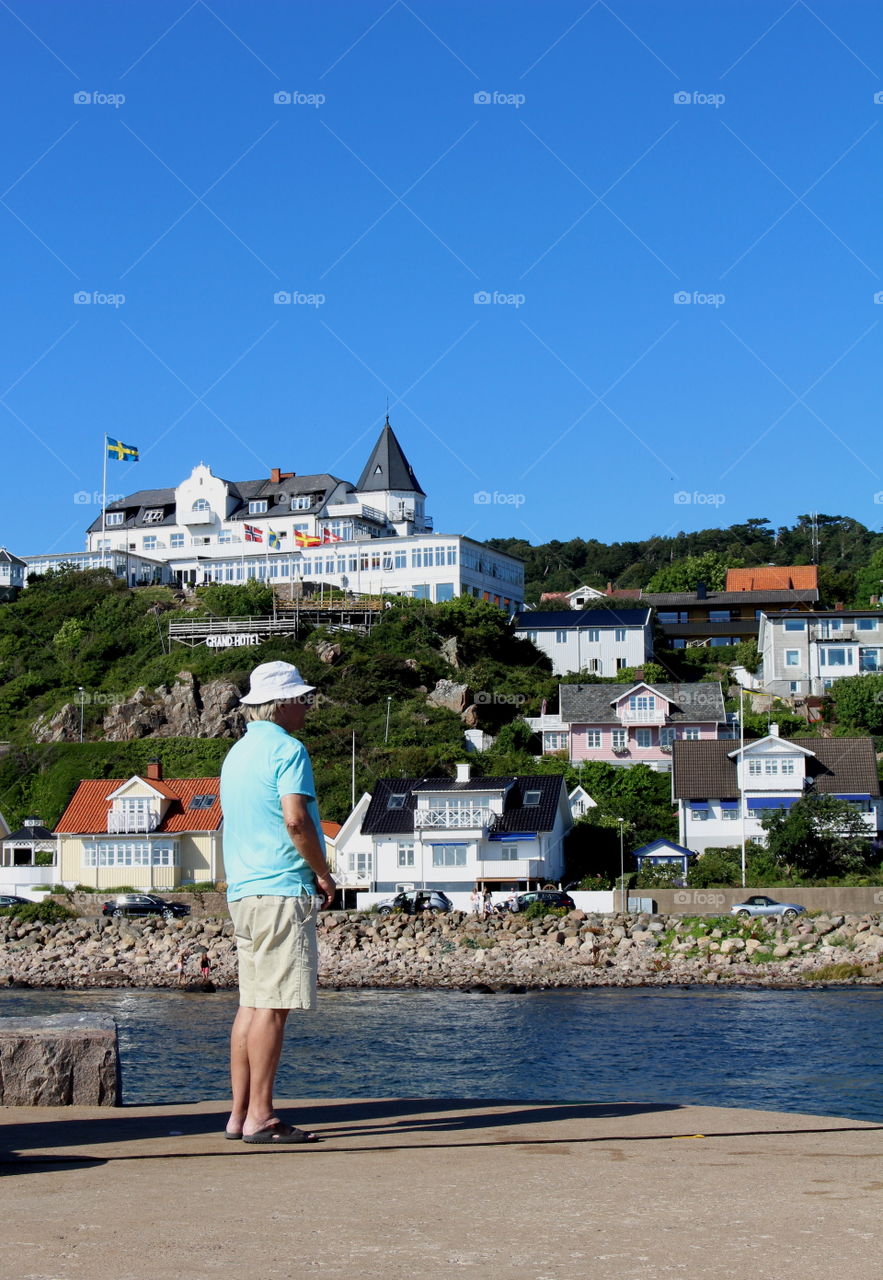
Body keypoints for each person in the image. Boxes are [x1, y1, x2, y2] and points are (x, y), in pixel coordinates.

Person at [220, 660, 336, 1145]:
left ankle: (238, 1113)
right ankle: (262, 1117)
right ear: (283, 703)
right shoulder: (289, 749)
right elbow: (295, 820)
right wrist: (323, 873)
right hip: (280, 889)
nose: (307, 706)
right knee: (272, 1006)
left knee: (251, 1003)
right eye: (302, 698)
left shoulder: (237, 754)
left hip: (243, 891)